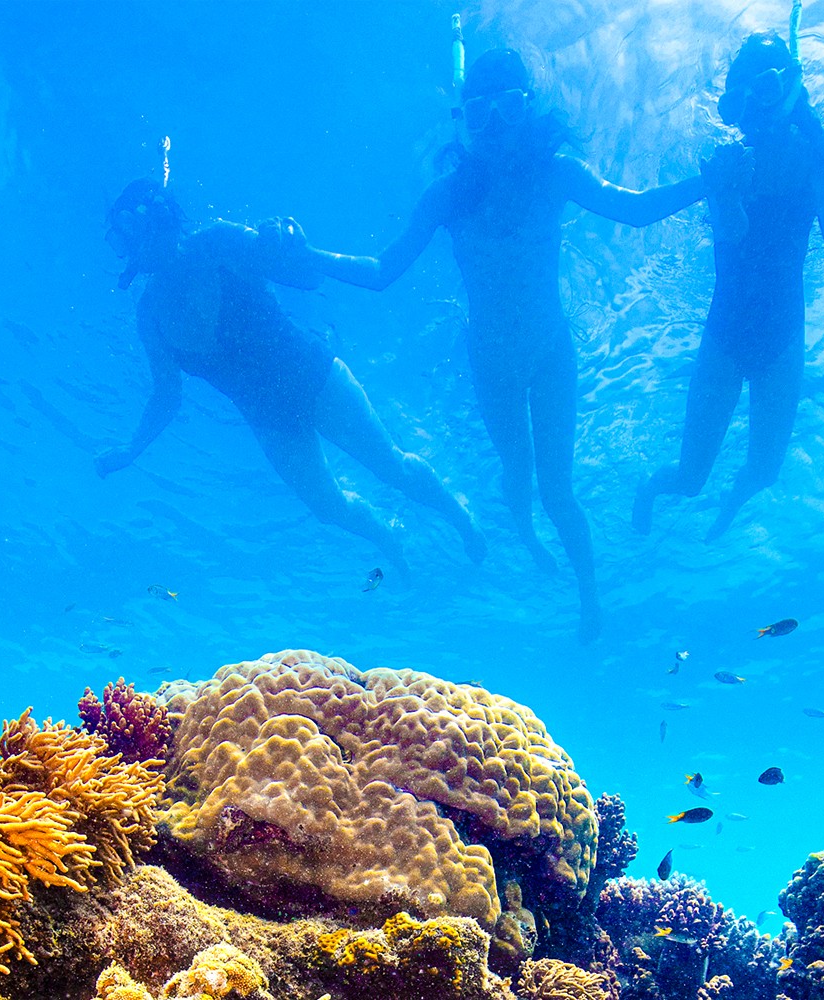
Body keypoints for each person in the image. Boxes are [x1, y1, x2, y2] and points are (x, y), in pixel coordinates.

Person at [294, 49, 706, 643]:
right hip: (491, 365)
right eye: (480, 115)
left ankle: (590, 600)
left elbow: (635, 210)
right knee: (518, 470)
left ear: (529, 110)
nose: (496, 129)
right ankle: (530, 536)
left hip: (550, 353)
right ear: (465, 121)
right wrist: (308, 257)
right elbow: (384, 269)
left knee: (557, 486)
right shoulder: (447, 194)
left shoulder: (558, 171)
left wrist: (708, 183)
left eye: (509, 110)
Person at [633, 32, 824, 542]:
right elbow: (731, 235)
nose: (754, 109)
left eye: (767, 88)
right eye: (740, 99)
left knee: (764, 473)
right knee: (689, 480)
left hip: (782, 335)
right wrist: (727, 189)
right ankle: (651, 488)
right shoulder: (726, 159)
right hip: (725, 335)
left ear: (791, 88)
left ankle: (729, 510)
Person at [95, 178, 486, 574]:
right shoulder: (149, 316)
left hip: (312, 375)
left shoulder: (216, 241)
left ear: (155, 217)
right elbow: (167, 394)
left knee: (390, 467)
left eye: (125, 235)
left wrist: (290, 243)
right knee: (327, 508)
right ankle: (388, 541)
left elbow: (307, 278)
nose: (125, 252)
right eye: (118, 243)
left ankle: (460, 517)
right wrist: (132, 450)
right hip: (267, 417)